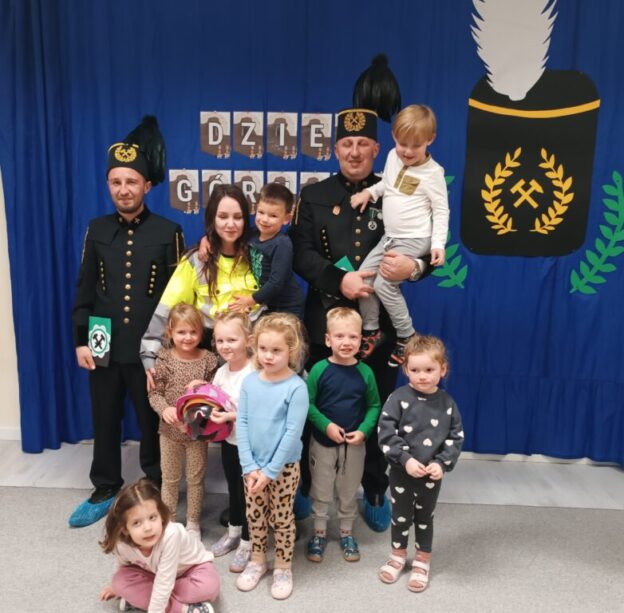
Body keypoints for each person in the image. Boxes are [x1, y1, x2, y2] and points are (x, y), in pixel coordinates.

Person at [291, 106, 424, 532]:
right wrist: (339, 279)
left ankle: (375, 486)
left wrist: (416, 268)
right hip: (324, 322)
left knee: (377, 406)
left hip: (378, 326)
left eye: (362, 144)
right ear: (335, 149)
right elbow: (300, 253)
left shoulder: (399, 189)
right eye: (346, 144)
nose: (354, 152)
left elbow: (423, 245)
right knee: (314, 405)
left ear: (377, 149)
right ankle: (308, 484)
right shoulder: (314, 195)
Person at [69, 116, 185, 528]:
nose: (123, 189)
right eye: (116, 182)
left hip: (149, 348)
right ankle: (105, 485)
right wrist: (81, 339)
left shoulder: (169, 231)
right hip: (102, 340)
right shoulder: (97, 229)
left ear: (146, 186)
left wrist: (171, 351)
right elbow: (85, 289)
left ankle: (156, 483)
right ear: (108, 185)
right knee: (104, 415)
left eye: (131, 182)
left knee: (152, 419)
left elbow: (179, 299)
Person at [351, 105, 449, 366]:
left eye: (415, 146)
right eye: (402, 143)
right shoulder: (393, 157)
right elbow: (388, 183)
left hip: (415, 238)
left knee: (384, 284)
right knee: (365, 276)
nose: (407, 151)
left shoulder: (433, 173)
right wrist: (369, 193)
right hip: (390, 237)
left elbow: (441, 210)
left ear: (430, 140)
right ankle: (371, 330)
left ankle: (407, 335)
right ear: (394, 137)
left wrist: (438, 244)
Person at [141, 183, 263, 385]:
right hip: (211, 364)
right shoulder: (197, 260)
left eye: (237, 217)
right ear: (212, 219)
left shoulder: (259, 257)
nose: (230, 224)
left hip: (254, 361)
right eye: (222, 216)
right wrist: (149, 356)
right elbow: (166, 308)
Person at [377, 335, 463, 593]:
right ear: (405, 369)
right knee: (400, 516)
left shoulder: (447, 403)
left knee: (425, 518)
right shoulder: (398, 398)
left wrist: (442, 464)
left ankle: (422, 560)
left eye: (429, 370)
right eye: (415, 370)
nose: (422, 376)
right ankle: (397, 556)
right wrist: (405, 459)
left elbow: (455, 437)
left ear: (442, 369)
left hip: (430, 476)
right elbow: (386, 433)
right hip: (401, 473)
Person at [235, 313, 308, 600]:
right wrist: (249, 466)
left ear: (291, 350)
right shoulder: (250, 382)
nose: (268, 355)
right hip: (252, 467)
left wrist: (270, 472)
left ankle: (283, 566)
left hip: (283, 468)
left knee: (281, 517)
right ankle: (257, 560)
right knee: (254, 516)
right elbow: (241, 423)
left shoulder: (296, 387)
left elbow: (292, 433)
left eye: (276, 350)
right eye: (263, 349)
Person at [305, 307, 381, 564]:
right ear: (328, 340)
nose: (346, 342)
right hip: (323, 443)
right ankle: (319, 533)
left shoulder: (366, 372)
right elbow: (308, 404)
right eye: (339, 336)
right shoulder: (318, 370)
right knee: (321, 487)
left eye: (353, 337)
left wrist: (364, 430)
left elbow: (374, 406)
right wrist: (326, 425)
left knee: (348, 489)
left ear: (361, 340)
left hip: (354, 444)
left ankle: (346, 533)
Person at [147, 303, 218, 537]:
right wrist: (164, 409)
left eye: (193, 332)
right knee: (170, 479)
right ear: (170, 331)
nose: (187, 337)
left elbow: (216, 395)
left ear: (201, 332)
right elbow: (154, 393)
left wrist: (204, 388)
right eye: (181, 332)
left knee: (196, 479)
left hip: (197, 433)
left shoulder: (209, 360)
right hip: (169, 433)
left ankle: (193, 523)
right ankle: (169, 523)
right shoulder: (164, 358)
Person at [99, 479, 219, 613]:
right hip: (157, 574)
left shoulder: (171, 535)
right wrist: (118, 589)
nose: (148, 528)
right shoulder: (121, 544)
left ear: (161, 516)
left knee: (209, 586)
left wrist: (139, 595)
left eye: (152, 518)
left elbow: (164, 582)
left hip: (192, 570)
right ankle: (184, 609)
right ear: (125, 529)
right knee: (119, 582)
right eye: (137, 523)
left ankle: (141, 599)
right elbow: (123, 566)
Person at [207, 312, 255, 573]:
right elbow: (214, 401)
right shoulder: (221, 372)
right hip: (229, 442)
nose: (225, 346)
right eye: (220, 340)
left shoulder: (255, 370)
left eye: (232, 340)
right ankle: (234, 531)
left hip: (252, 445)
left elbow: (260, 410)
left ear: (248, 339)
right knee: (233, 490)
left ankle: (248, 542)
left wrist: (231, 416)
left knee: (249, 495)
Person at [227, 182, 305, 319]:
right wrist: (206, 240)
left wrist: (251, 300)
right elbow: (229, 236)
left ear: (286, 219)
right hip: (267, 303)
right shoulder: (252, 234)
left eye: (273, 216)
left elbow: (276, 283)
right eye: (261, 212)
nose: (264, 219)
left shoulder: (282, 244)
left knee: (285, 333)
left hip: (287, 305)